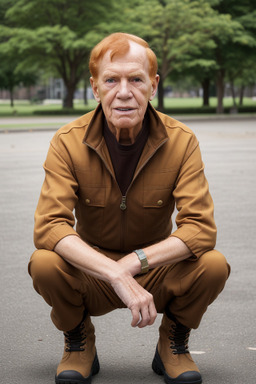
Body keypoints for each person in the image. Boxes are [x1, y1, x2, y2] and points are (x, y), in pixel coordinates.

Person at [29, 32, 230, 384]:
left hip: (156, 268)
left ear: (153, 85)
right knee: (44, 263)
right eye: (111, 80)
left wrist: (129, 265)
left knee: (213, 266)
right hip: (92, 272)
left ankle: (173, 343)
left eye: (135, 79)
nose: (124, 92)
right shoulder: (66, 142)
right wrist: (111, 272)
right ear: (95, 87)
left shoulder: (182, 141)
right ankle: (78, 343)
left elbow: (200, 228)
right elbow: (50, 226)